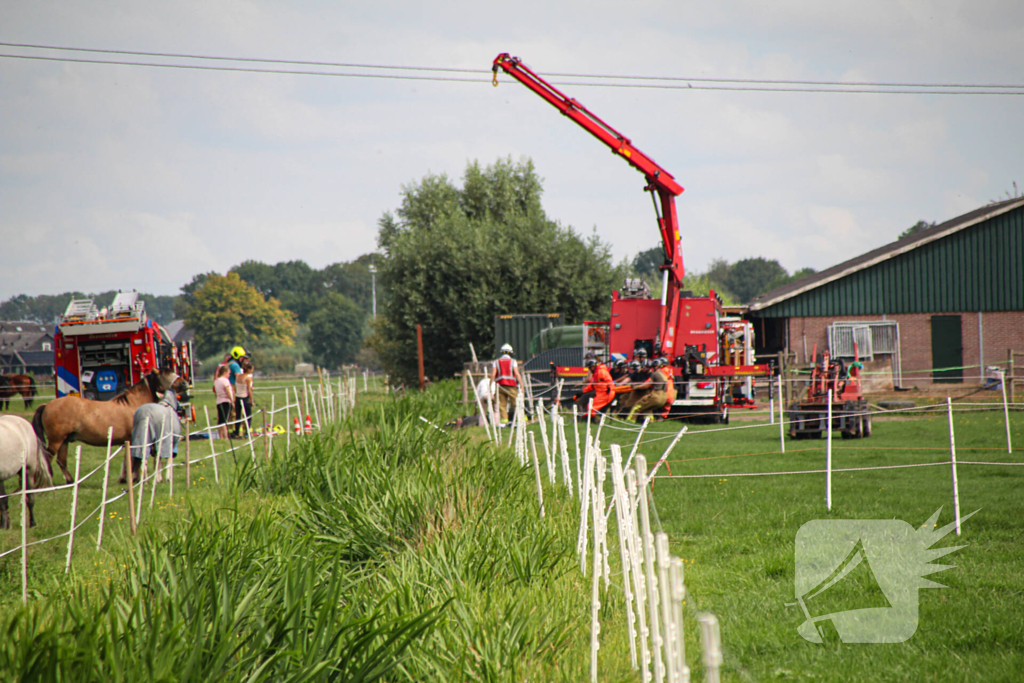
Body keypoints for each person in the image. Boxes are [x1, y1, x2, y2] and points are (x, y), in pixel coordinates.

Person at [490, 343, 524, 425]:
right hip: (511, 386)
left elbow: (493, 375)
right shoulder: (513, 361)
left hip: (500, 386)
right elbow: (517, 373)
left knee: (501, 405)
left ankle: (504, 422)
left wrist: (490, 386)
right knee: (516, 403)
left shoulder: (496, 362)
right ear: (510, 353)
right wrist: (522, 386)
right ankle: (521, 420)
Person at [627, 357, 670, 422]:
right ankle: (650, 421)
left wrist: (637, 387)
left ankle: (629, 421)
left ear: (654, 366)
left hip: (656, 396)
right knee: (647, 408)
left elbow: (646, 385)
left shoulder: (655, 374)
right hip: (664, 398)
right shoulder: (663, 375)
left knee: (637, 406)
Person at [573, 354, 614, 418]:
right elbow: (592, 386)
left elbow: (610, 383)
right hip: (599, 393)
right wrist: (582, 391)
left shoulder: (601, 372)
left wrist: (609, 390)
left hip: (606, 394)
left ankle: (591, 420)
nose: (590, 369)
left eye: (591, 367)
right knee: (586, 403)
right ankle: (583, 419)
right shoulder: (595, 374)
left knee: (591, 407)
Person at [232, 358, 255, 437]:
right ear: (249, 369)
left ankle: (237, 432)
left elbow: (235, 387)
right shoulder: (248, 378)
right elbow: (249, 390)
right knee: (248, 416)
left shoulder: (238, 377)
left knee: (238, 416)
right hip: (245, 398)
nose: (252, 370)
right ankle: (247, 432)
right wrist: (252, 401)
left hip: (238, 398)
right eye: (252, 369)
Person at [213, 364, 234, 440]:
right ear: (225, 372)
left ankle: (220, 436)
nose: (229, 375)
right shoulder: (225, 381)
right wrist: (232, 400)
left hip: (219, 402)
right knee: (225, 420)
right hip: (226, 401)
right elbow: (228, 391)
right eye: (229, 373)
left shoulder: (216, 381)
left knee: (220, 419)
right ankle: (226, 436)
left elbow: (215, 392)